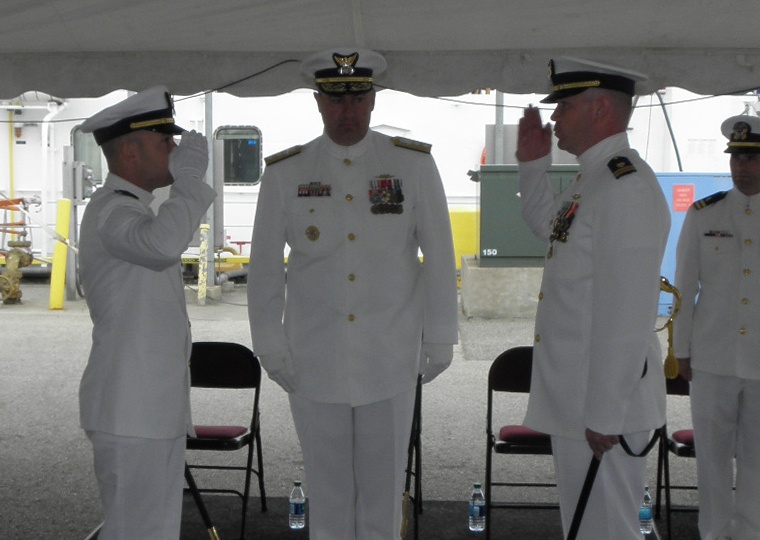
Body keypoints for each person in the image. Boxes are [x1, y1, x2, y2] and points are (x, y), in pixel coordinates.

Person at [247, 48, 458, 539]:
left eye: (358, 100)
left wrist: (440, 337)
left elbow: (440, 257)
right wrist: (270, 346)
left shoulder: (413, 165)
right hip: (313, 357)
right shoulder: (285, 172)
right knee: (327, 490)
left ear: (373, 100)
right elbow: (262, 271)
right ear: (318, 103)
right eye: (335, 101)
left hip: (390, 356)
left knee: (383, 493)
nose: (347, 112)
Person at [516, 57, 670, 539]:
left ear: (600, 108)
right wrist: (532, 167)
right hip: (582, 398)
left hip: (604, 405)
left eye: (564, 106)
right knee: (585, 528)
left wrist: (604, 413)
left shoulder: (625, 186)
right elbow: (552, 231)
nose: (555, 117)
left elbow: (626, 313)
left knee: (609, 529)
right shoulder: (595, 178)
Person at [78, 86, 216, 539]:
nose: (176, 152)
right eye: (166, 142)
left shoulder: (131, 209)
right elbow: (160, 246)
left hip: (145, 411)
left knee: (151, 531)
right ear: (131, 150)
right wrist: (190, 182)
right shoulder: (112, 212)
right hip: (131, 412)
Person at [673, 114, 760, 540]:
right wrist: (681, 349)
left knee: (758, 460)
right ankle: (713, 534)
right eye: (737, 158)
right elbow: (684, 286)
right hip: (711, 357)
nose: (742, 166)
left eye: (752, 158)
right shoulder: (705, 213)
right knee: (711, 457)